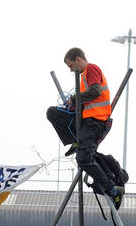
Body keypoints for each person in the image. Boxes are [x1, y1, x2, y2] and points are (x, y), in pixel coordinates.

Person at [45, 47, 122, 203]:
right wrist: (74, 105)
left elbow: (95, 91)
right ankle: (74, 140)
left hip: (95, 122)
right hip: (85, 120)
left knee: (84, 159)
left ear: (78, 59)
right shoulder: (83, 77)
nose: (71, 70)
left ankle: (112, 189)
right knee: (52, 112)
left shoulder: (92, 69)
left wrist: (74, 98)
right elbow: (87, 99)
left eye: (71, 66)